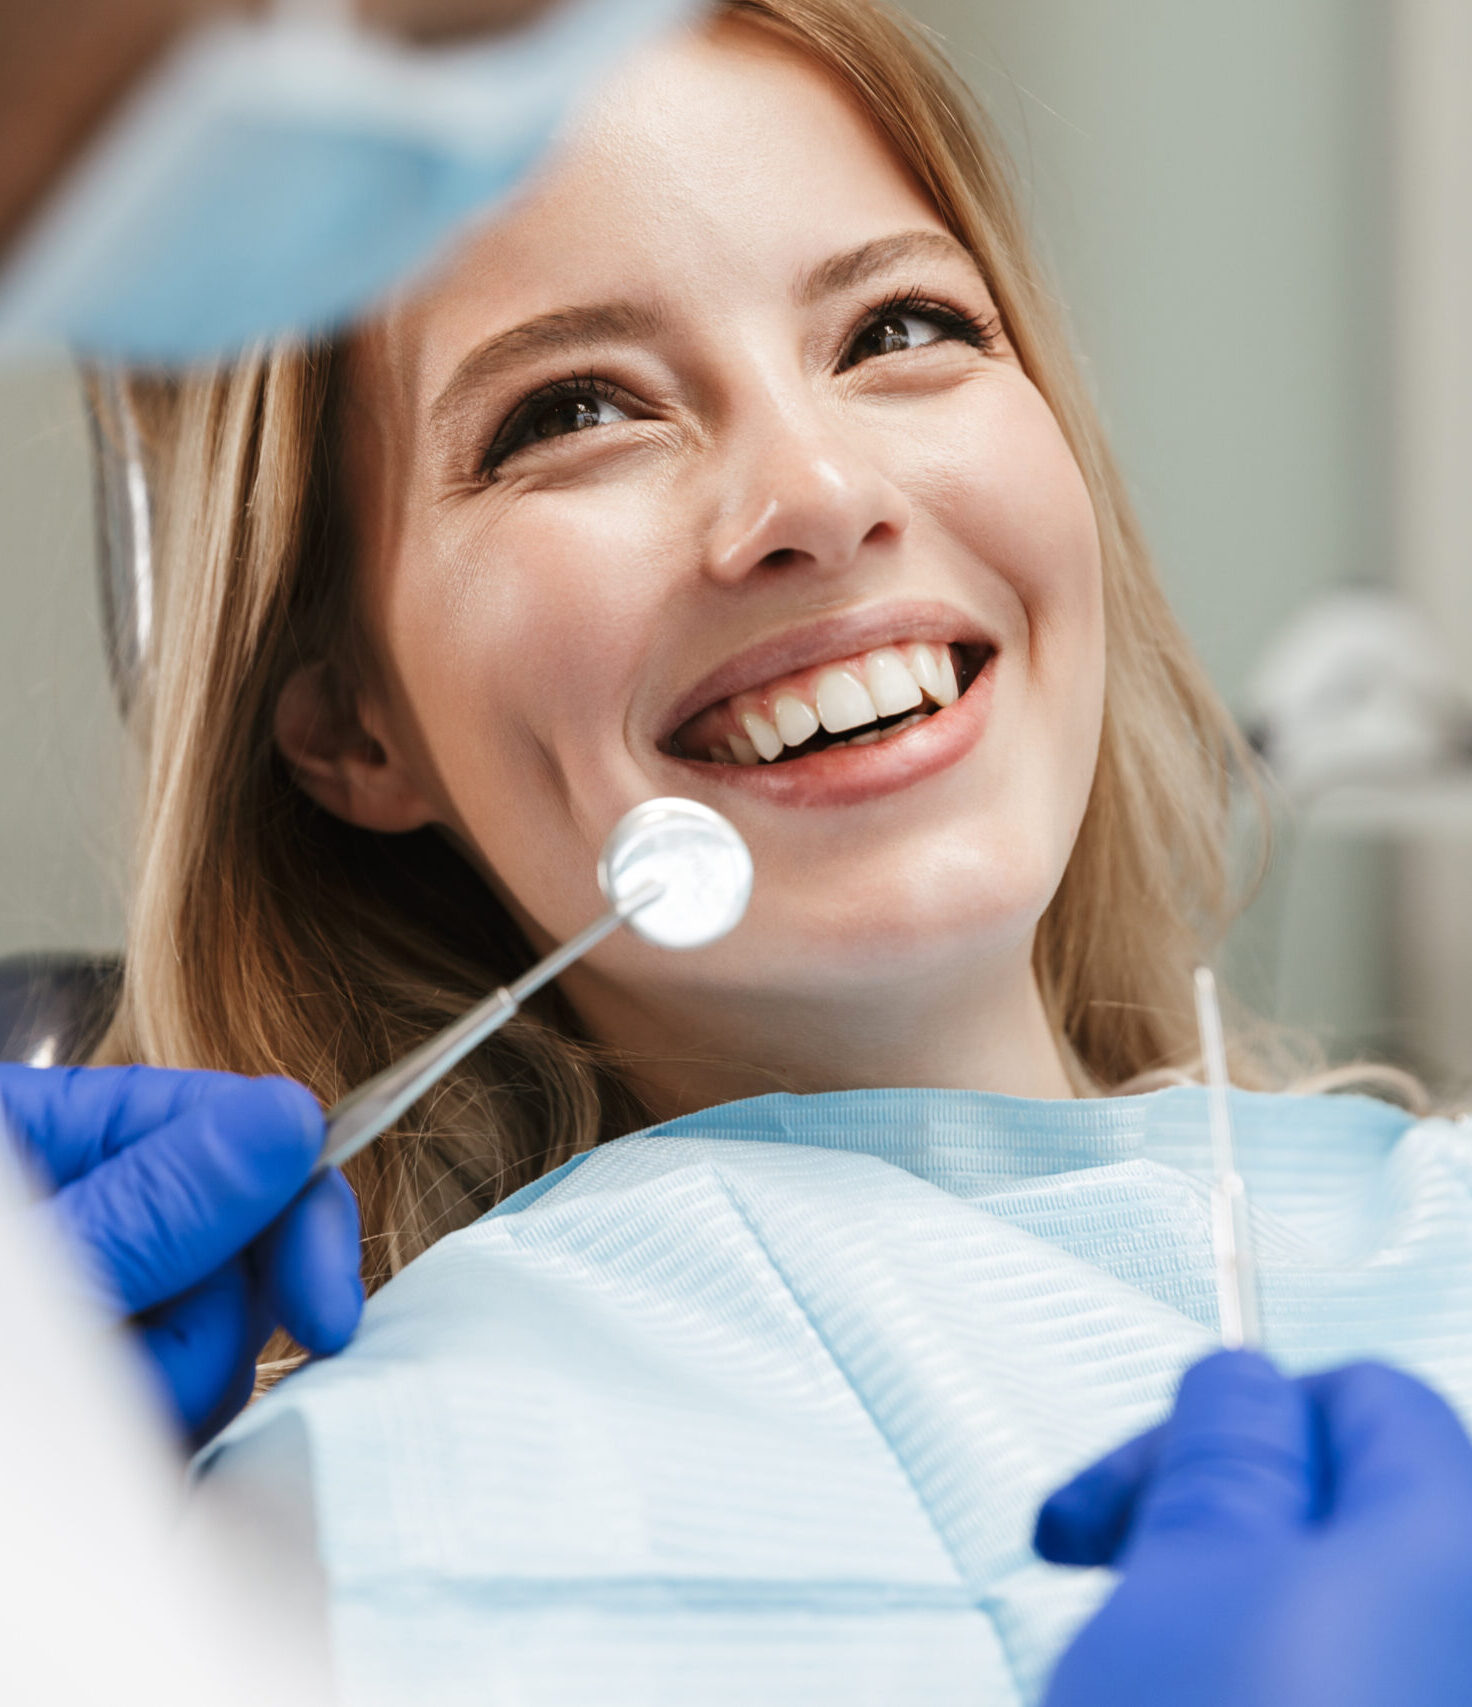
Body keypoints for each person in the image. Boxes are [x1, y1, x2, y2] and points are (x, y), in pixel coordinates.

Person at [84, 0, 1472, 1700]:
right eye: (575, 410)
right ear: (350, 730)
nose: (815, 492)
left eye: (900, 324)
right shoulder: (279, 1550)